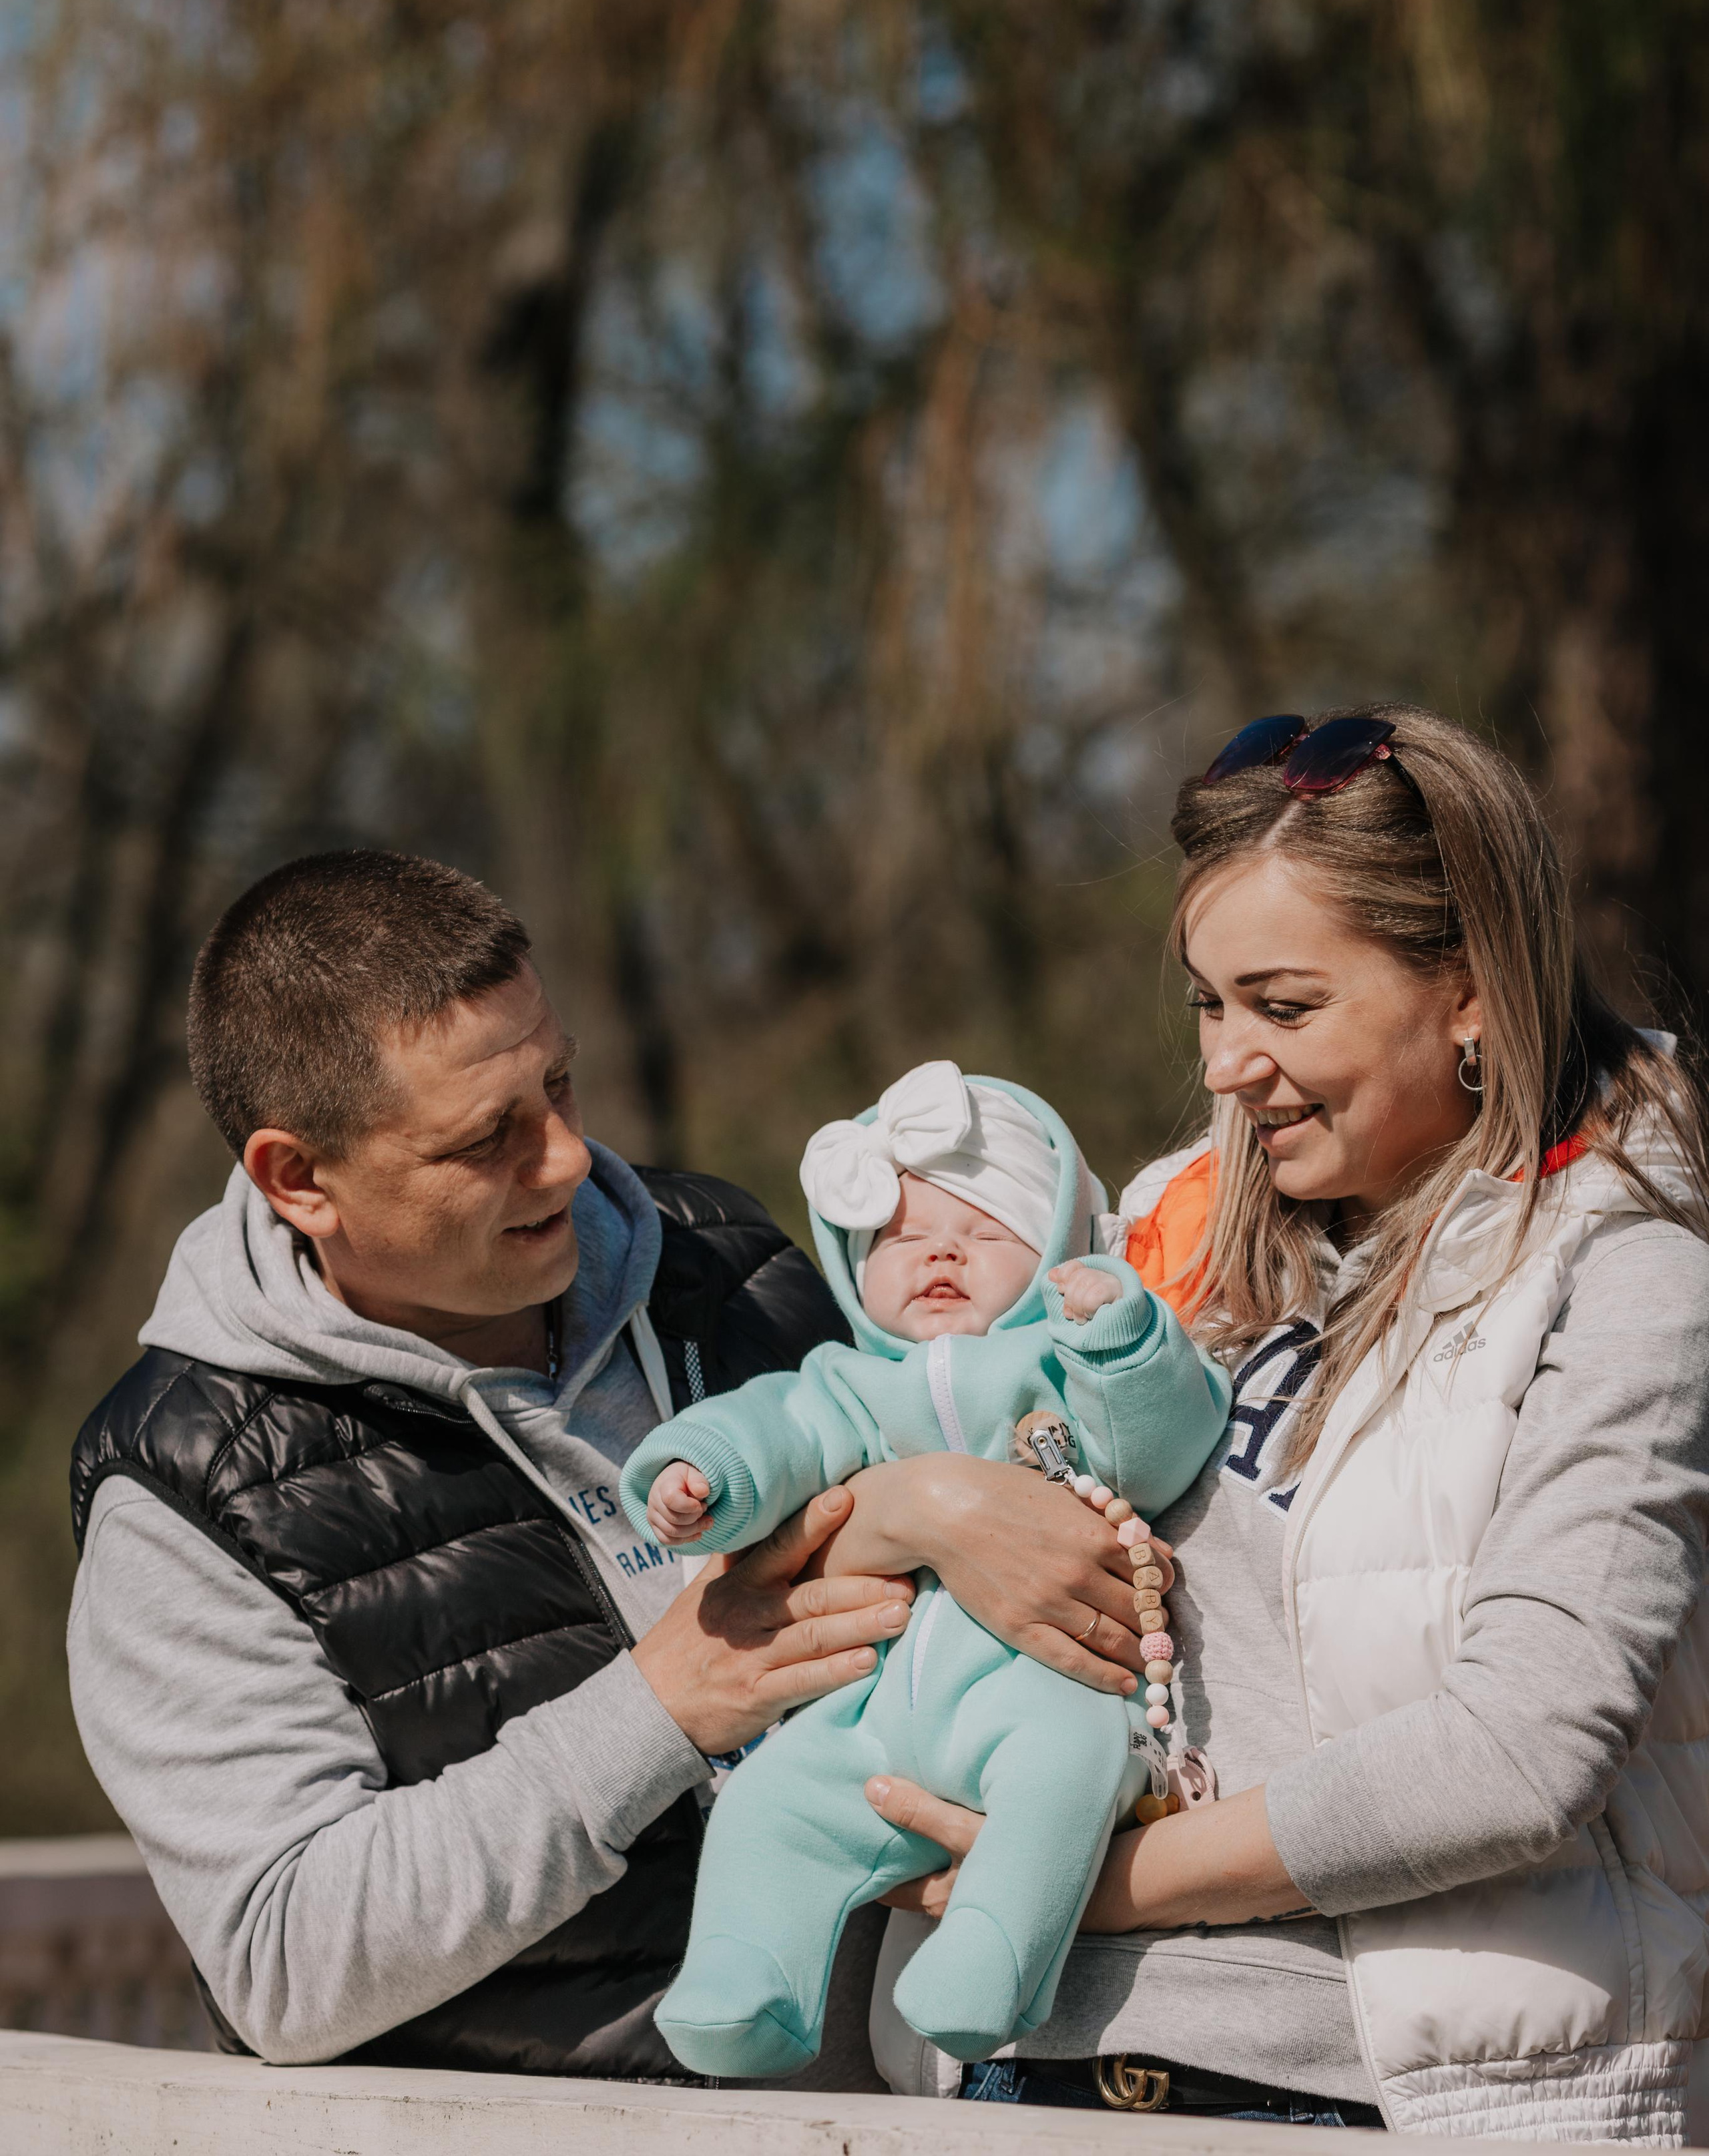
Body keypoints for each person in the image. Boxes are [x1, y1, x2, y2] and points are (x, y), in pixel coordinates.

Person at [65, 849, 1167, 2078]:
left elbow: (975, 1438)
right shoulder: (183, 1493)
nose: (569, 1157)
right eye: (488, 1138)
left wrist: (932, 1502)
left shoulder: (736, 1263)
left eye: (561, 1084)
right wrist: (658, 1710)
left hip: (944, 2091)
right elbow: (283, 1966)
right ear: (299, 1178)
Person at [854, 708, 1709, 2140]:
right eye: (1206, 1003)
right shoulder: (1157, 1238)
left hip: (1334, 2098)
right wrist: (907, 1513)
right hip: (1003, 2070)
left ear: (1469, 993)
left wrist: (1066, 1873)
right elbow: (905, 1451)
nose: (1226, 1066)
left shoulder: (1624, 1279)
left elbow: (1515, 1754)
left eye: (1283, 1006)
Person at [620, 1060, 1229, 2075]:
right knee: (773, 1807)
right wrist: (704, 1475)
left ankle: (990, 1967)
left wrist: (1120, 1340)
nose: (941, 1250)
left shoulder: (1058, 1366)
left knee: (1066, 1773)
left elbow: (1161, 1446)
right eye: (900, 1237)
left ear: (1057, 1254)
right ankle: (743, 1982)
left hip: (1045, 1687)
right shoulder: (845, 1382)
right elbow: (775, 1435)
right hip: (869, 1708)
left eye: (988, 1232)